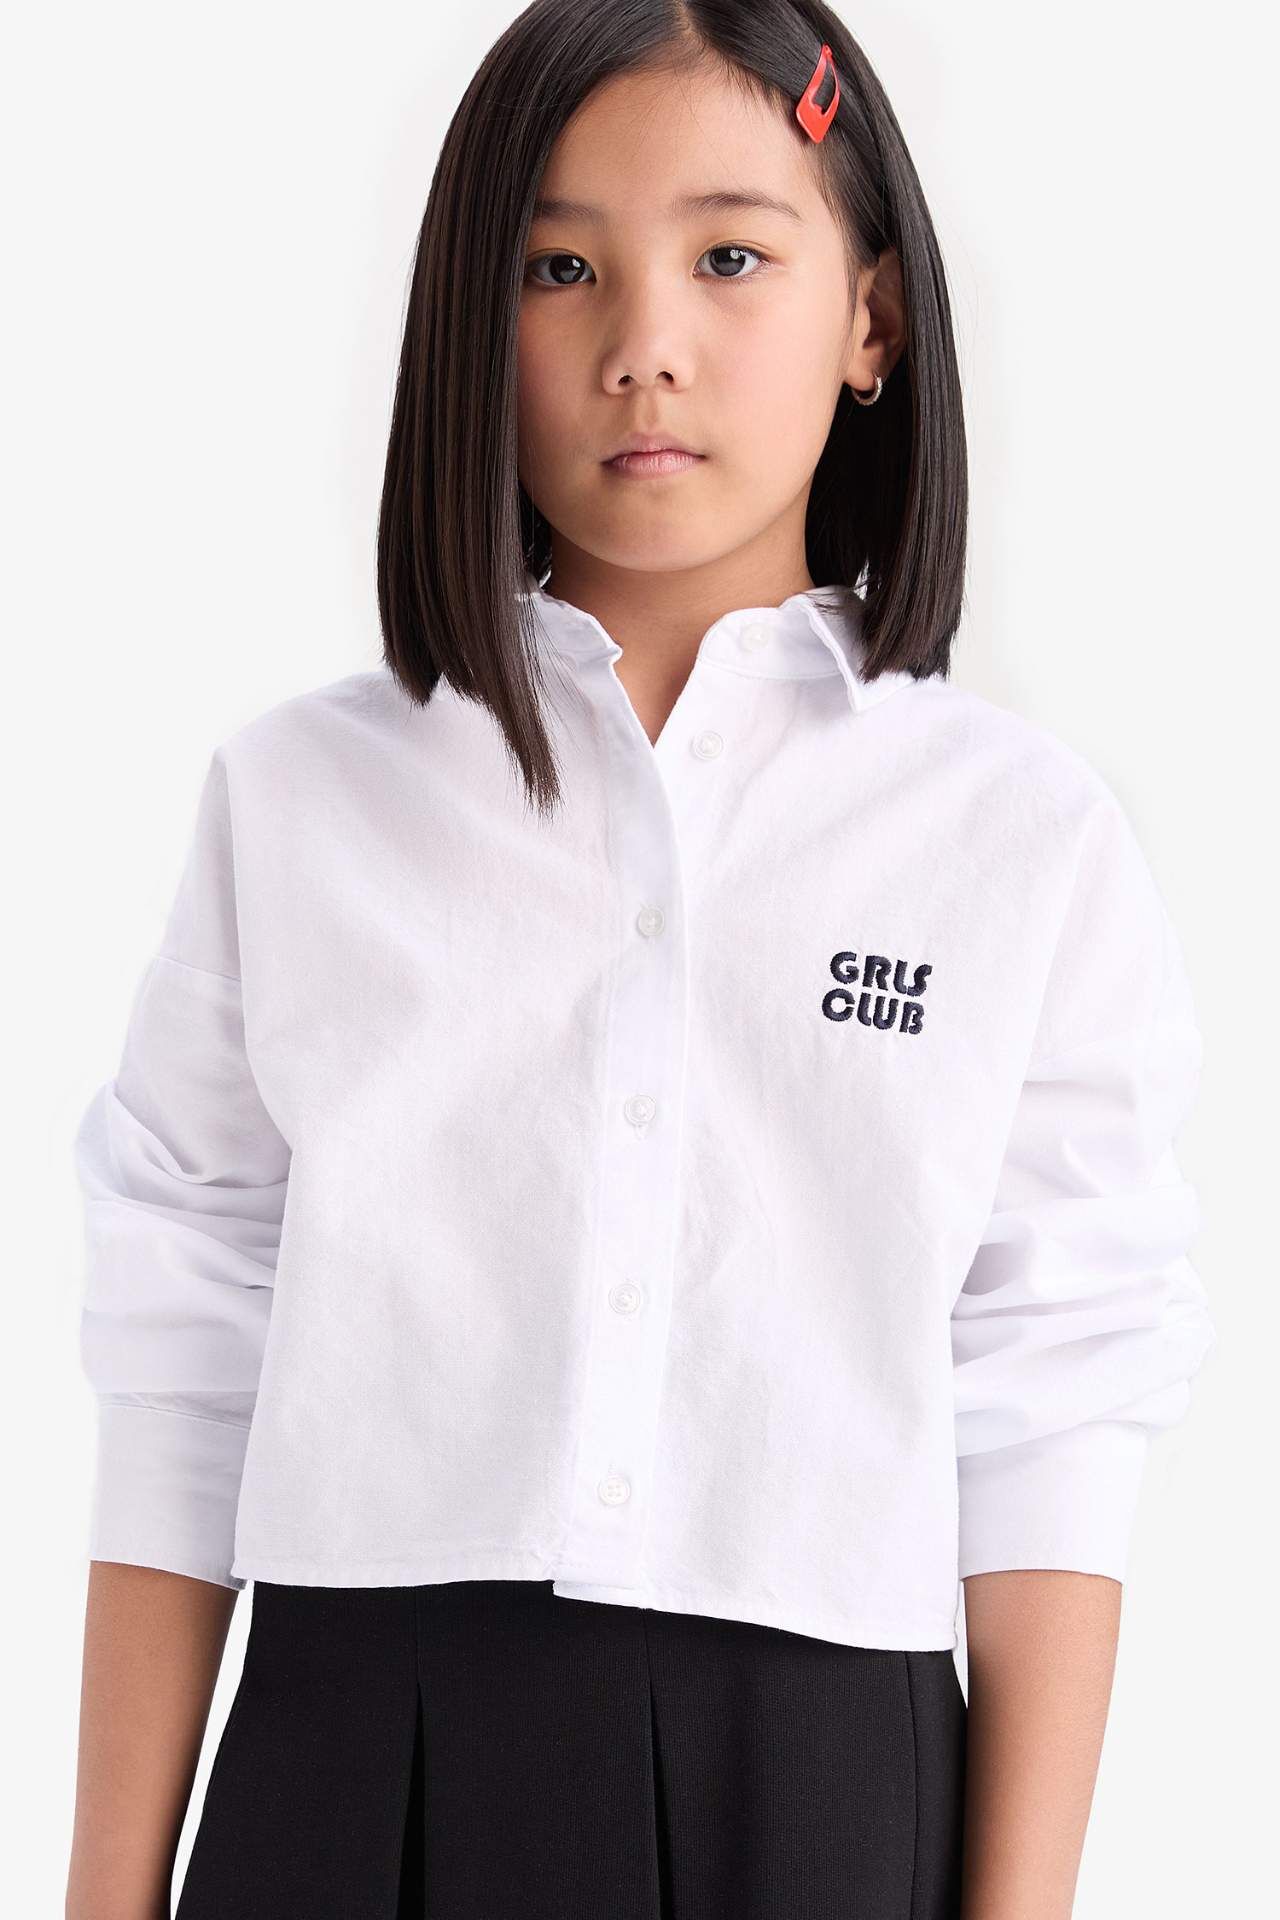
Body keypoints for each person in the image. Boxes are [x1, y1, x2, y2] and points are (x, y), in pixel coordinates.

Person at [64, 4, 1216, 1917]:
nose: (643, 344)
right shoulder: (300, 802)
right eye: (559, 267)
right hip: (354, 1761)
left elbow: (1055, 1397)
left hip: (826, 1785)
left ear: (873, 323)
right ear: (472, 322)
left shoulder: (1019, 838)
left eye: (732, 258)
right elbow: (184, 1349)